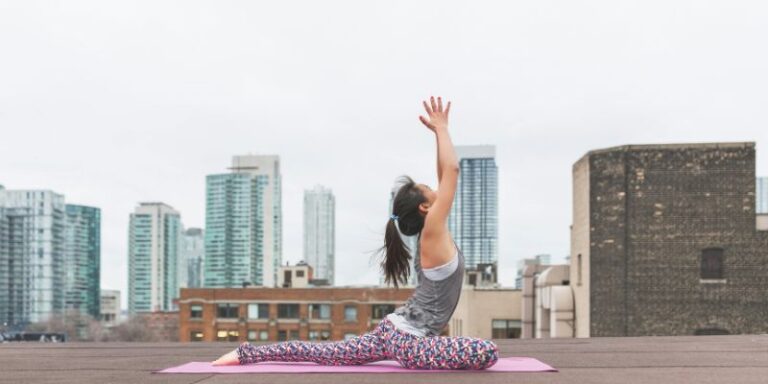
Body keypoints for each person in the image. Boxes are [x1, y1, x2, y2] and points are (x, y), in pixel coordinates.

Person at [212, 96, 498, 370]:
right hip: (410, 340)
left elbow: (444, 174)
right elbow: (451, 169)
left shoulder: (434, 233)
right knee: (486, 351)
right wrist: (443, 128)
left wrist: (438, 133)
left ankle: (246, 353)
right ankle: (247, 353)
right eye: (430, 189)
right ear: (425, 207)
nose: (437, 189)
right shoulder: (433, 234)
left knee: (326, 353)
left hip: (395, 330)